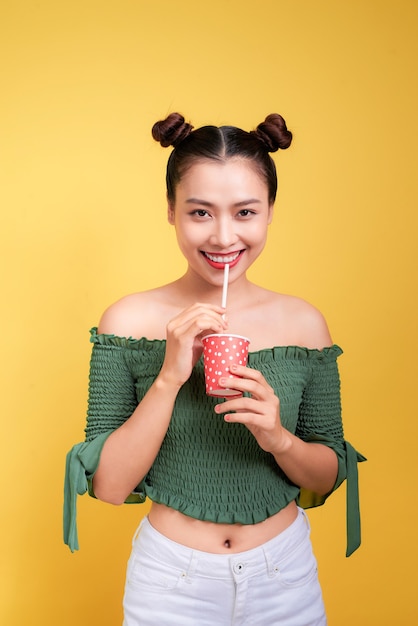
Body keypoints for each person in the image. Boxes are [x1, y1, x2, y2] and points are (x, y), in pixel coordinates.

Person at [64, 112, 365, 626]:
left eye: (245, 212)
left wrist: (278, 437)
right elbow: (110, 487)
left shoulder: (304, 323)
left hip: (284, 575)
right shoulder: (127, 319)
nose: (224, 237)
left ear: (270, 211)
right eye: (200, 213)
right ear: (171, 211)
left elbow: (331, 474)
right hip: (170, 582)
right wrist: (169, 376)